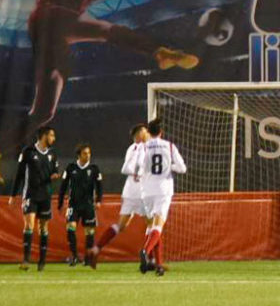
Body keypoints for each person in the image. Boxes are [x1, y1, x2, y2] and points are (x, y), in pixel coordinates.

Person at [0, 0, 199, 155]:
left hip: (57, 40)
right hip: (46, 18)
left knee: (44, 112)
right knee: (103, 29)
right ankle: (157, 51)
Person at [88, 123, 152, 269]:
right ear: (139, 134)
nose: (146, 133)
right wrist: (140, 172)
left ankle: (96, 249)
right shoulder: (139, 147)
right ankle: (151, 259)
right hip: (141, 192)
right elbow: (126, 168)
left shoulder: (136, 148)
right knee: (153, 224)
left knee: (121, 225)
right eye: (143, 131)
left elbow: (128, 167)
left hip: (130, 191)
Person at [136, 118, 187, 276]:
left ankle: (157, 264)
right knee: (158, 226)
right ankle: (145, 251)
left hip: (146, 190)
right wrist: (169, 166)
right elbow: (182, 168)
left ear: (149, 133)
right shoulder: (169, 146)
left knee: (152, 227)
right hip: (163, 190)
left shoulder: (143, 147)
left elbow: (139, 169)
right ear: (161, 132)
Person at [8, 126, 60, 271]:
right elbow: (19, 174)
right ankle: (26, 260)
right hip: (30, 194)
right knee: (29, 225)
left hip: (45, 195)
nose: (54, 139)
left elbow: (55, 171)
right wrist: (13, 195)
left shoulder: (53, 154)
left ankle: (42, 261)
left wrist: (55, 175)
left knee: (43, 227)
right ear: (44, 136)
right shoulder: (28, 152)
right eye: (52, 135)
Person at [58, 143, 103, 266]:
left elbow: (99, 187)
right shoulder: (70, 168)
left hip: (88, 205)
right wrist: (60, 202)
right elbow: (63, 186)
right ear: (78, 155)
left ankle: (88, 258)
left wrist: (99, 200)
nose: (87, 156)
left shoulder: (94, 169)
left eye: (89, 153)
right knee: (70, 228)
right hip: (73, 204)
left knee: (89, 232)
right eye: (84, 153)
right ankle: (74, 256)